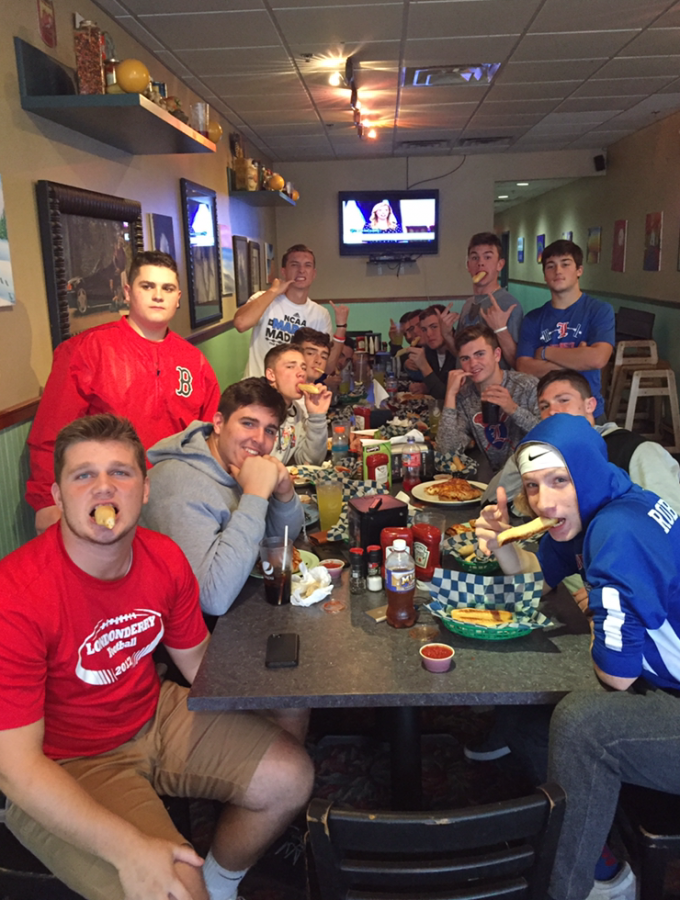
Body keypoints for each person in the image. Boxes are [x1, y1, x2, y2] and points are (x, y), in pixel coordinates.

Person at [0, 413, 314, 900]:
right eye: (84, 475)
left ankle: (219, 884)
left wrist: (280, 696)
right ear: (59, 498)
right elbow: (16, 768)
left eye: (120, 473)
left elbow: (199, 668)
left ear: (144, 490)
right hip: (65, 762)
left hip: (154, 714)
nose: (104, 489)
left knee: (292, 776)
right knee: (172, 890)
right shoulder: (17, 594)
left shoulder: (163, 558)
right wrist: (128, 848)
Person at [476, 414, 680, 900]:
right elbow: (538, 581)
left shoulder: (613, 531)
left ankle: (576, 886)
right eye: (532, 486)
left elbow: (618, 675)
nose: (544, 501)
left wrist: (602, 615)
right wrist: (502, 542)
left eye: (559, 480)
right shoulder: (606, 499)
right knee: (530, 723)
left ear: (585, 471)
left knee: (581, 725)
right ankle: (601, 850)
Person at [26, 250, 220, 535]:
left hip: (176, 498)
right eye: (147, 286)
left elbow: (210, 438)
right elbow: (51, 434)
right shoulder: (87, 350)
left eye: (167, 288)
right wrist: (46, 502)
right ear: (128, 292)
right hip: (105, 498)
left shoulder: (195, 361)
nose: (158, 296)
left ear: (178, 297)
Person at [141, 379, 304, 617]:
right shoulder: (181, 486)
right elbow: (212, 599)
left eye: (269, 430)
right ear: (218, 423)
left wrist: (284, 492)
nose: (259, 439)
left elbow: (280, 541)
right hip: (175, 637)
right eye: (248, 423)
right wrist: (255, 495)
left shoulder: (235, 463)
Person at [482, 369, 680, 514]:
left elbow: (671, 516)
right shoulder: (544, 453)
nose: (553, 411)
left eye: (564, 400)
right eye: (544, 406)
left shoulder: (635, 450)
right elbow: (490, 498)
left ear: (590, 405)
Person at [516, 240, 615, 419]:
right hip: (545, 413)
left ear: (579, 270)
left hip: (588, 412)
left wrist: (545, 352)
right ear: (545, 275)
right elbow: (523, 367)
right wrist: (578, 359)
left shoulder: (599, 310)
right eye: (550, 266)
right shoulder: (533, 318)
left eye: (565, 264)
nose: (558, 271)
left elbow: (598, 358)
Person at [234, 244, 349, 377]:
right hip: (258, 392)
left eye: (307, 265)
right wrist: (273, 291)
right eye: (294, 265)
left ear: (314, 273)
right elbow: (241, 324)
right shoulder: (264, 298)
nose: (301, 270)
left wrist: (341, 328)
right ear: (284, 271)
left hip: (295, 394)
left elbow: (327, 367)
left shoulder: (320, 314)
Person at [436, 324, 540, 471]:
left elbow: (549, 437)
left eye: (480, 354)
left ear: (497, 355)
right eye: (465, 358)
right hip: (494, 480)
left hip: (531, 476)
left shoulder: (527, 385)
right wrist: (450, 396)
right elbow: (446, 452)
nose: (473, 364)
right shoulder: (465, 394)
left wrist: (513, 410)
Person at [459, 232, 523, 369]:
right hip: (467, 387)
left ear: (500, 264)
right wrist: (446, 336)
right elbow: (462, 355)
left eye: (487, 257)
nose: (480, 263)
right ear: (468, 265)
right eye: (475, 257)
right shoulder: (468, 304)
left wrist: (501, 329)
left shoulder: (509, 305)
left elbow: (517, 364)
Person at [264, 344, 331, 465]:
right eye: (290, 367)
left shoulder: (296, 411)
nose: (301, 373)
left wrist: (317, 416)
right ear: (271, 375)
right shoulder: (256, 408)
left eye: (303, 368)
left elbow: (309, 462)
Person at [405, 305, 457, 398]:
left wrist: (424, 366)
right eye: (424, 329)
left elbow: (448, 398)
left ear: (448, 325)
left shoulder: (462, 353)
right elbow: (439, 385)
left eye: (434, 327)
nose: (428, 334)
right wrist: (426, 387)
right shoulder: (430, 351)